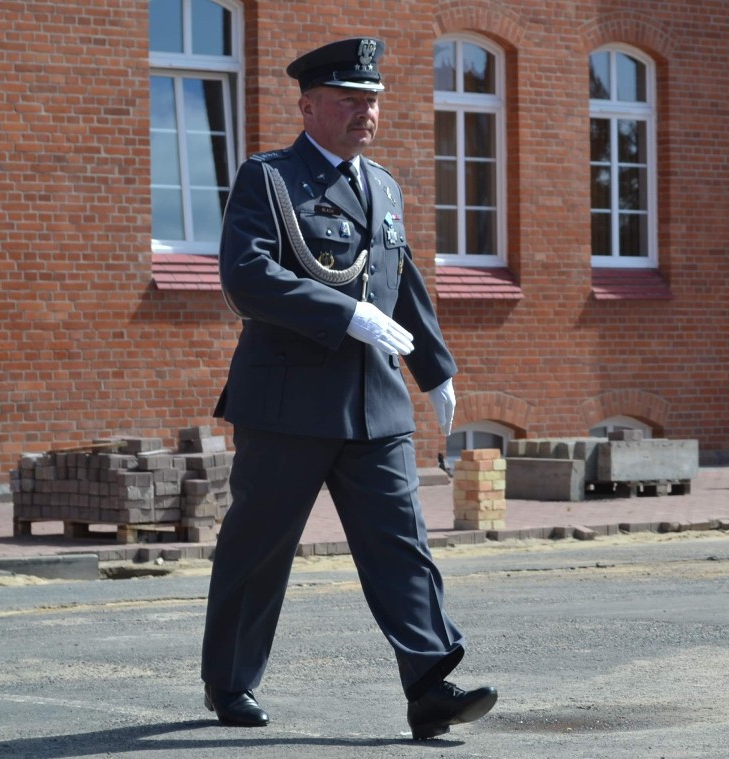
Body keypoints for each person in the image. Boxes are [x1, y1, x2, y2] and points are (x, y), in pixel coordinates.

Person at [200, 37, 497, 740]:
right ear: (308, 106)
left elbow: (403, 282)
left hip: (375, 404)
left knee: (402, 544)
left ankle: (429, 683)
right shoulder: (268, 179)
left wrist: (436, 369)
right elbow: (247, 275)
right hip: (287, 405)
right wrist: (346, 312)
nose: (365, 112)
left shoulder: (384, 184)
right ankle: (231, 680)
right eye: (349, 100)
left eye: (372, 101)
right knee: (259, 547)